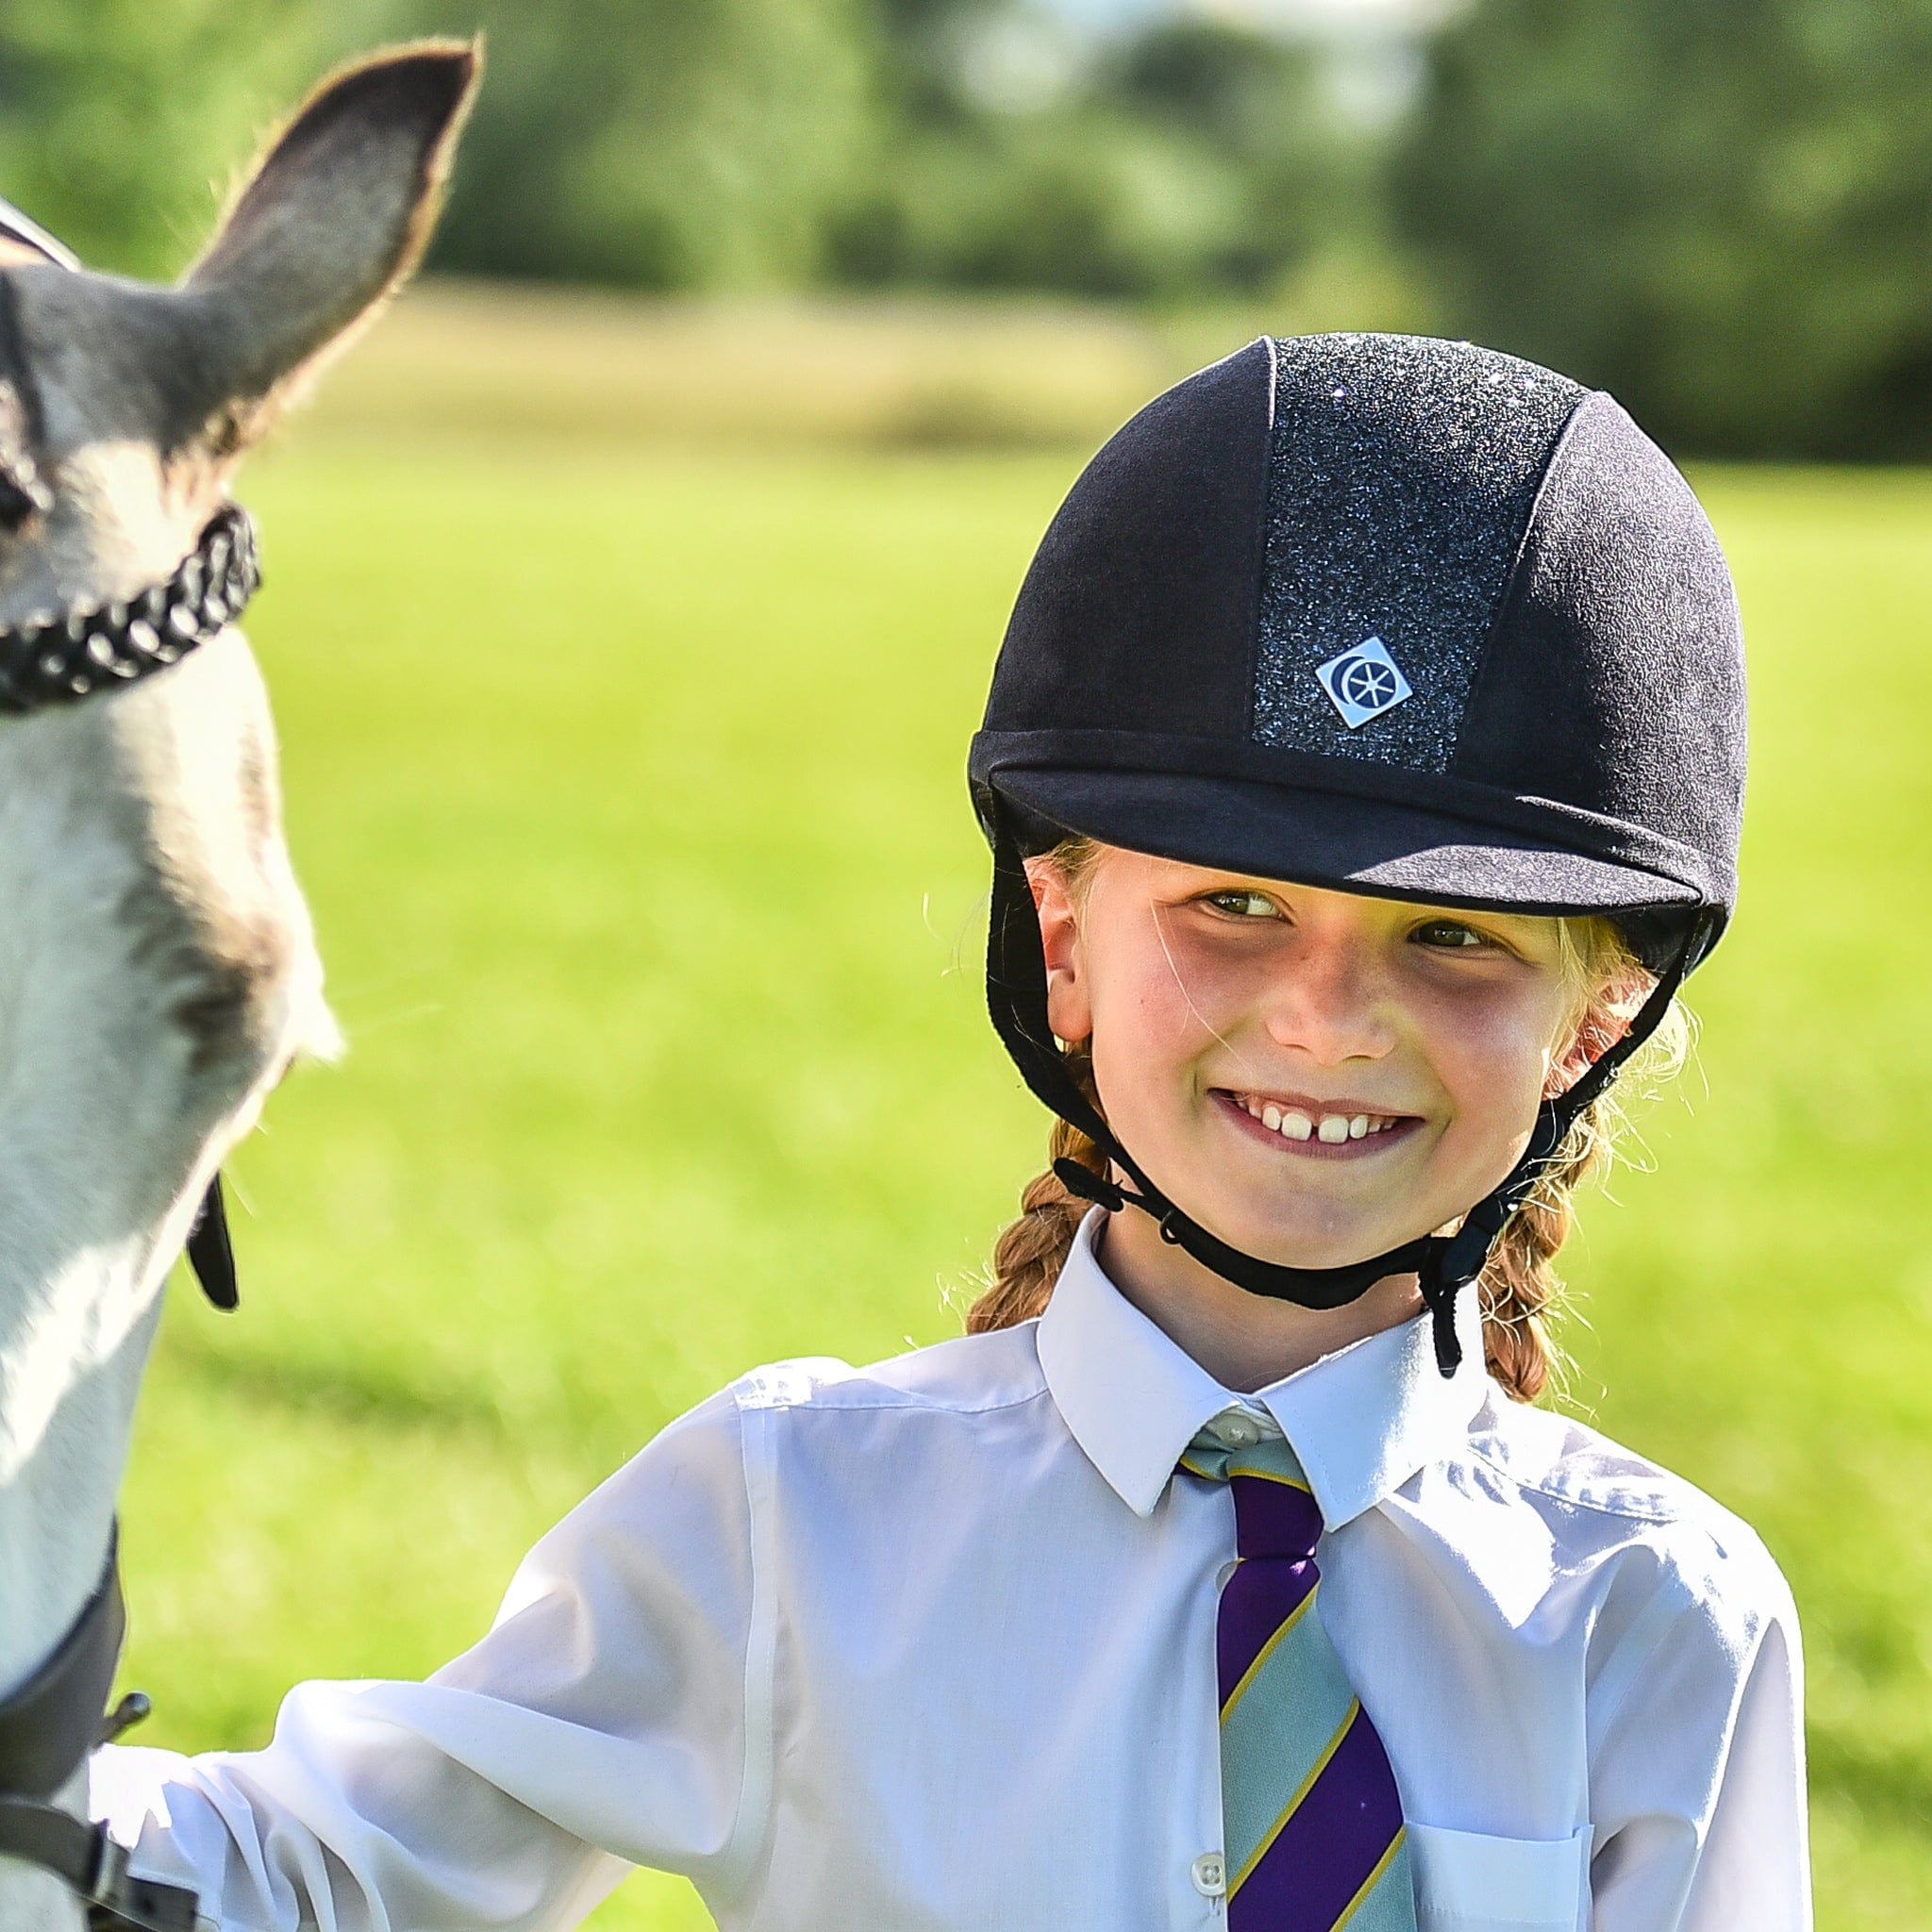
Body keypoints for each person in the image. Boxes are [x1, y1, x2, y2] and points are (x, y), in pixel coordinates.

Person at [92, 334, 1807, 1931]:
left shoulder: (1663, 1622)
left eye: (1453, 941)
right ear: (1064, 943)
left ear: (1595, 1020)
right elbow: (305, 1873)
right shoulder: (794, 1521)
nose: (1327, 1018)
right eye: (1233, 906)